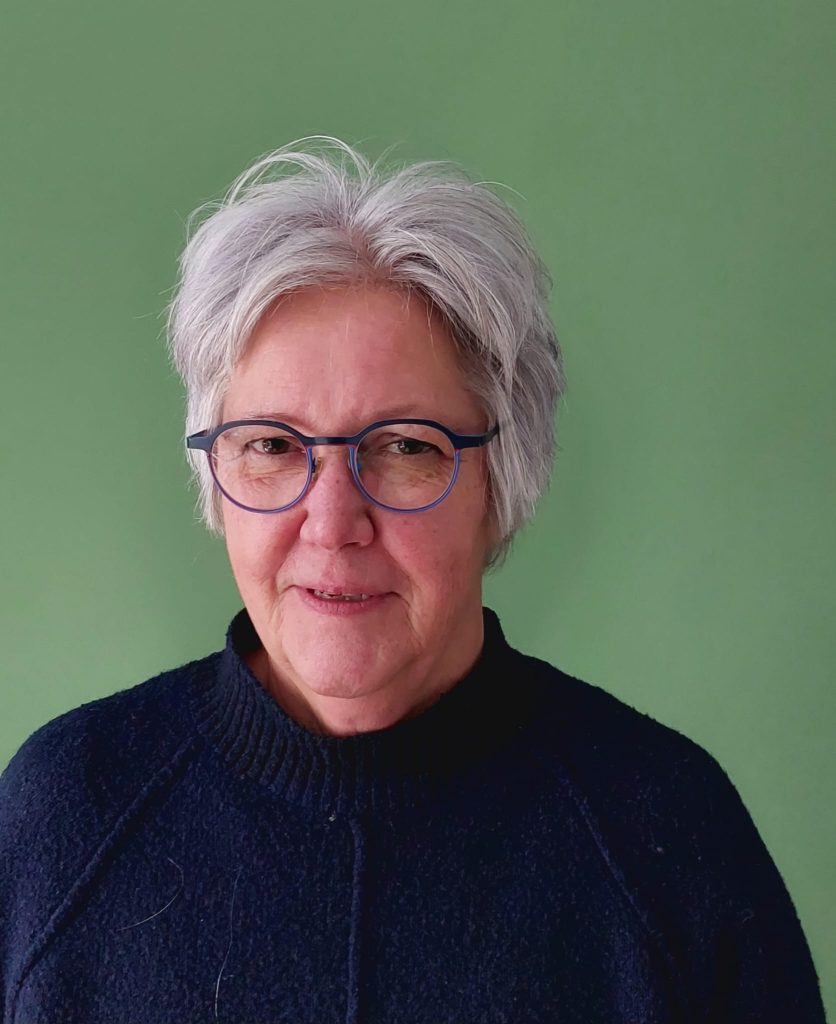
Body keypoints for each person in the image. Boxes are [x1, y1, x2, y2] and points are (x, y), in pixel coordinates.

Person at [0, 138, 825, 1023]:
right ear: (215, 475)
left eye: (403, 448)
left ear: (503, 480)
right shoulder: (67, 813)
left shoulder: (666, 836)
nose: (332, 523)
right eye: (272, 446)